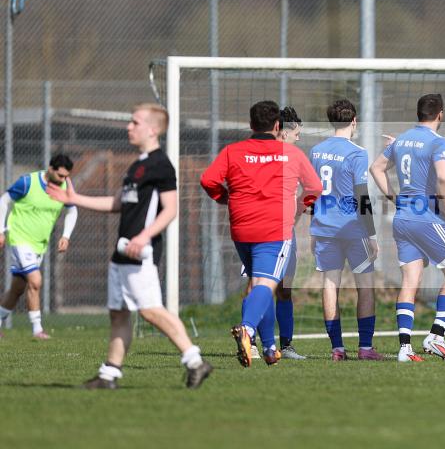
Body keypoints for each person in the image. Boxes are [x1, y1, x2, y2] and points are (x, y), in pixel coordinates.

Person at [46, 104, 212, 388]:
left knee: (150, 311)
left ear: (153, 129)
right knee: (119, 313)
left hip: (140, 254)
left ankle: (195, 361)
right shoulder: (137, 165)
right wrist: (75, 200)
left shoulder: (161, 164)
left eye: (134, 122)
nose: (128, 127)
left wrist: (144, 236)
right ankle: (109, 375)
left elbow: (170, 209)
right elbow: (118, 204)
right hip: (122, 252)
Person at [201, 100, 322, 367]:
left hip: (241, 228)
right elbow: (315, 187)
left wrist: (224, 198)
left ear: (250, 124)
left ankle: (269, 348)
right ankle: (248, 330)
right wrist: (298, 208)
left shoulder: (233, 151)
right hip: (274, 229)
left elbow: (207, 180)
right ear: (277, 126)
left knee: (259, 285)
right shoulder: (290, 154)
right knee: (266, 285)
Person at [369, 93, 445, 362]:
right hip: (427, 218)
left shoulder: (401, 140)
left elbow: (376, 168)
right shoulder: (438, 142)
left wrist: (393, 198)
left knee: (410, 280)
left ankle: (404, 348)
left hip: (402, 219)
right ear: (440, 115)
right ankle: (436, 336)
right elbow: (444, 177)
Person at [309, 99, 382, 361]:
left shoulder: (316, 151)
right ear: (354, 121)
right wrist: (372, 235)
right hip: (352, 228)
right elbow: (362, 195)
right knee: (366, 286)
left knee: (330, 285)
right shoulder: (357, 152)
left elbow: (312, 192)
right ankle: (365, 348)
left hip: (325, 228)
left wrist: (313, 229)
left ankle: (337, 349)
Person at [240, 106, 307, 361]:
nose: (299, 138)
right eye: (297, 133)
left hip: (286, 231)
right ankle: (252, 342)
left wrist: (297, 211)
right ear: (282, 130)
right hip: (261, 229)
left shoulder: (293, 157)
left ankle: (286, 345)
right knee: (256, 284)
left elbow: (307, 191)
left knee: (284, 287)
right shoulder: (259, 156)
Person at [0, 154, 78, 339]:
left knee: (18, 288)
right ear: (50, 169)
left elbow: (72, 210)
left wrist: (66, 236)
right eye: (60, 176)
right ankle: (37, 330)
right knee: (35, 280)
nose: (63, 180)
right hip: (19, 238)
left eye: (66, 177)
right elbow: (3, 201)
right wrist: (1, 230)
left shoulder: (65, 186)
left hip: (39, 244)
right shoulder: (28, 182)